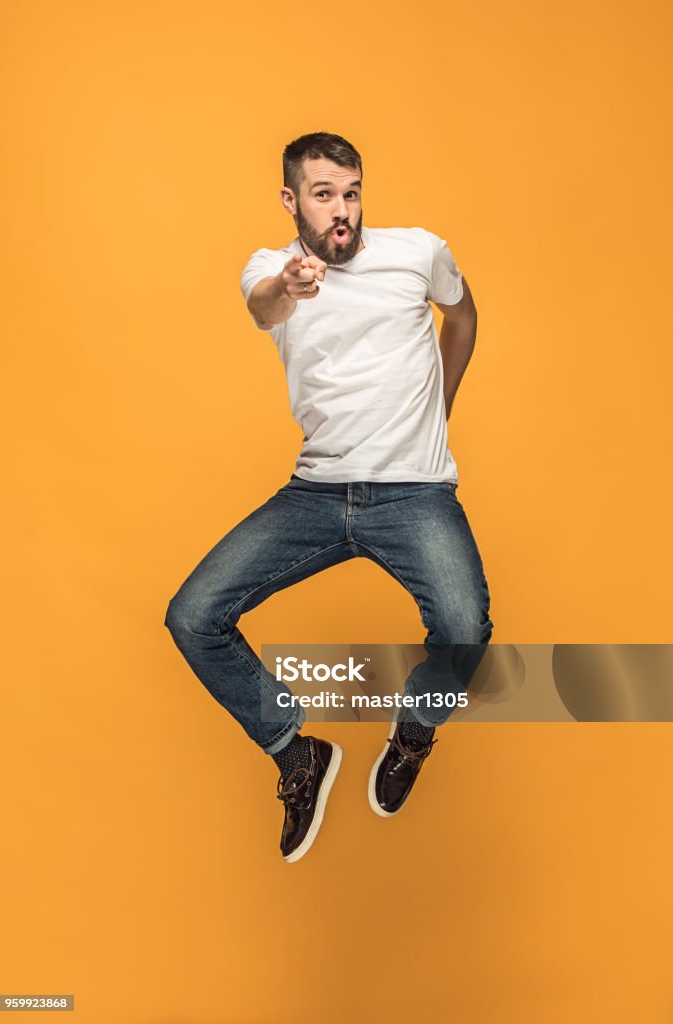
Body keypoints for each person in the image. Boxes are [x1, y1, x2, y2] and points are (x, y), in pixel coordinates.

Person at [164, 131, 493, 864]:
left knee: (465, 629)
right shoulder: (269, 269)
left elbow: (463, 315)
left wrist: (437, 408)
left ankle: (413, 728)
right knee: (191, 616)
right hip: (316, 492)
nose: (340, 211)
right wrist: (289, 286)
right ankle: (293, 750)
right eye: (322, 196)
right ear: (291, 200)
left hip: (414, 493)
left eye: (350, 193)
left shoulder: (416, 251)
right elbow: (262, 307)